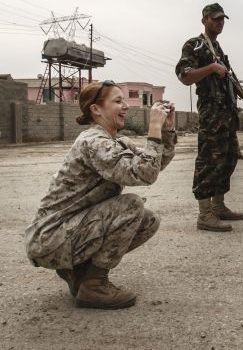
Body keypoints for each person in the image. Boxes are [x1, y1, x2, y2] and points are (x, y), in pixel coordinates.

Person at [25, 81, 176, 309]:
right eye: (118, 101)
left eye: (124, 100)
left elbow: (154, 164)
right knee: (131, 205)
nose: (125, 106)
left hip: (70, 230)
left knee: (148, 221)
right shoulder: (93, 142)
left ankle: (79, 274)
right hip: (50, 237)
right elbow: (144, 174)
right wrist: (153, 129)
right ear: (96, 109)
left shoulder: (116, 141)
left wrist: (166, 130)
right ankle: (93, 285)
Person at [176, 3, 243, 233]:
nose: (220, 23)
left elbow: (228, 77)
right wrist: (212, 67)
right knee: (208, 161)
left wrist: (238, 90)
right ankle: (205, 214)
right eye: (215, 19)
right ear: (204, 20)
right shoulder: (195, 45)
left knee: (229, 158)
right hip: (211, 113)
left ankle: (219, 206)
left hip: (226, 113)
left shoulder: (217, 48)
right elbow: (184, 76)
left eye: (222, 19)